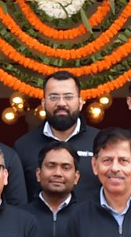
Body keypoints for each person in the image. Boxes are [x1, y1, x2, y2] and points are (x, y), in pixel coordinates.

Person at [13, 70, 100, 198]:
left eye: (68, 97)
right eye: (54, 97)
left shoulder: (100, 142)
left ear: (80, 102)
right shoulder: (23, 146)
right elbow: (18, 200)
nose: (61, 103)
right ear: (43, 103)